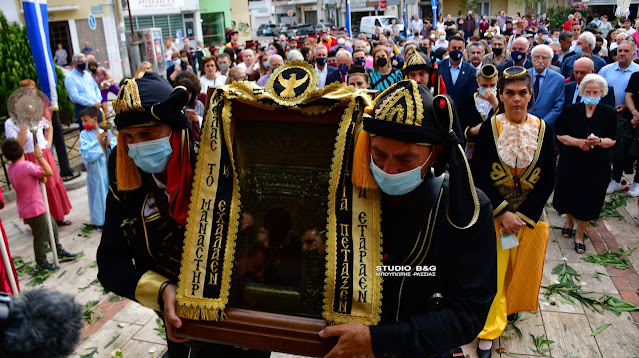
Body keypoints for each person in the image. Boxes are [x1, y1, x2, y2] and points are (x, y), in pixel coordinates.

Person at [320, 79, 496, 357]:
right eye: (378, 155)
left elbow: (468, 315)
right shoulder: (348, 194)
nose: (388, 169)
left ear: (434, 152)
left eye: (405, 159)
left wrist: (378, 340)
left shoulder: (467, 208)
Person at [97, 73, 269, 358]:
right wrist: (162, 290)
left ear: (176, 130)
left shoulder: (225, 170)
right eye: (129, 137)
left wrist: (258, 310)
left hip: (241, 324)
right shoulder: (128, 187)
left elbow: (266, 247)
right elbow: (110, 263)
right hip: (178, 325)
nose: (137, 146)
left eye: (148, 134)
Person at [471, 67, 556, 358]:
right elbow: (478, 173)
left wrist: (526, 215)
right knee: (493, 272)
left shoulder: (544, 128)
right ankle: (488, 332)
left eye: (522, 92)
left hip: (530, 217)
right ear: (501, 95)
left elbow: (548, 178)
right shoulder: (489, 128)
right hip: (495, 215)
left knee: (520, 269)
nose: (516, 99)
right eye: (510, 93)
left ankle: (511, 307)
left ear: (531, 95)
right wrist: (503, 212)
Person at [554, 74, 617, 253]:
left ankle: (580, 235)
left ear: (602, 93)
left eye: (595, 92)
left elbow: (612, 140)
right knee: (569, 194)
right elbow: (561, 135)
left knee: (588, 199)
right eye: (588, 91)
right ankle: (569, 221)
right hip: (572, 161)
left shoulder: (609, 113)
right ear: (582, 92)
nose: (591, 94)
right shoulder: (571, 110)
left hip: (596, 165)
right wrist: (577, 142)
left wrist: (598, 141)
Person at [1, 138, 77, 272]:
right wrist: (40, 157)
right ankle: (41, 262)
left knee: (52, 227)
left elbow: (42, 177)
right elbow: (49, 172)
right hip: (34, 208)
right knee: (41, 237)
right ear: (23, 150)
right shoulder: (26, 166)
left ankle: (58, 250)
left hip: (30, 207)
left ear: (6, 157)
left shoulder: (11, 168)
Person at [4, 108, 73, 227]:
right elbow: (16, 145)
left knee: (51, 184)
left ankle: (57, 217)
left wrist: (49, 142)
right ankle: (39, 222)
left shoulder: (37, 114)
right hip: (26, 156)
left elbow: (48, 125)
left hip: (42, 153)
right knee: (34, 189)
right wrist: (23, 128)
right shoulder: (11, 123)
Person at [599, 41, 639, 195]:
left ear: (633, 53)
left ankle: (629, 180)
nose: (622, 53)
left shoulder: (637, 72)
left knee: (627, 149)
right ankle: (613, 178)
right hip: (608, 115)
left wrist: (630, 109)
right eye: (619, 50)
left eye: (626, 51)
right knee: (612, 150)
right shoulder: (606, 70)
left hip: (628, 117)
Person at [78, 107, 116, 229]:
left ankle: (113, 217)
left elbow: (115, 145)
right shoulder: (84, 135)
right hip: (95, 170)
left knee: (110, 191)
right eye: (82, 121)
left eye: (85, 120)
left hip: (106, 166)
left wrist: (110, 144)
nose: (83, 124)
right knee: (98, 194)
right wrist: (97, 140)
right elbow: (86, 153)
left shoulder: (104, 131)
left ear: (95, 119)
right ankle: (101, 221)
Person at [458, 64, 499, 160]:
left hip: (497, 150)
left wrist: (495, 105)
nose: (489, 89)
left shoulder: (503, 101)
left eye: (492, 85)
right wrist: (472, 131)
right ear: (478, 82)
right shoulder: (467, 103)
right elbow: (460, 127)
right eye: (484, 86)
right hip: (474, 151)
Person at [528, 44, 565, 132]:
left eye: (544, 58)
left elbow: (558, 106)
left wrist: (542, 124)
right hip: (524, 125)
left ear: (550, 60)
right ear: (531, 58)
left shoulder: (558, 79)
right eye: (537, 57)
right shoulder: (523, 76)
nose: (540, 61)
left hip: (546, 128)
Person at [439, 35, 478, 109]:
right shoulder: (439, 67)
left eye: (459, 48)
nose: (457, 50)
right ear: (448, 49)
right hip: (441, 112)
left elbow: (471, 95)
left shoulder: (471, 71)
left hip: (463, 114)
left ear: (463, 50)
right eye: (454, 48)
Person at [64, 53, 102, 129]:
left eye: (85, 62)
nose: (84, 64)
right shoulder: (70, 77)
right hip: (83, 108)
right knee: (88, 133)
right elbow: (74, 96)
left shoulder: (87, 74)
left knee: (100, 130)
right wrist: (92, 103)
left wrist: (98, 100)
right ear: (74, 63)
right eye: (81, 62)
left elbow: (95, 88)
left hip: (96, 107)